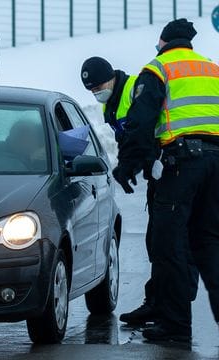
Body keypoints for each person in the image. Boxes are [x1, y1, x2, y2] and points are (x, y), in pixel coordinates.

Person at [114, 18, 219, 342]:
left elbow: (141, 122)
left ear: (164, 42)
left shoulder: (159, 68)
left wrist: (127, 165)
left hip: (180, 165)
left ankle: (176, 325)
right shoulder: (213, 70)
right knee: (209, 241)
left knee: (169, 246)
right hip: (214, 165)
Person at [80, 57, 162, 326]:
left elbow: (143, 133)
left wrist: (133, 165)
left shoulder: (134, 90)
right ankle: (161, 304)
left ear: (111, 77)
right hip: (158, 174)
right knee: (159, 242)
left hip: (169, 170)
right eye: (92, 90)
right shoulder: (112, 102)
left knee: (166, 243)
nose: (97, 92)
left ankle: (164, 307)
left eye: (99, 86)